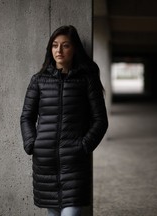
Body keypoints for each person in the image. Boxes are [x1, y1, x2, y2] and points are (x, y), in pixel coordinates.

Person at [20, 25, 108, 216]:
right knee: (53, 213)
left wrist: (83, 146)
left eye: (65, 45)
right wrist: (31, 144)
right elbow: (26, 117)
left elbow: (100, 120)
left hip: (74, 162)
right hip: (45, 162)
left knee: (72, 212)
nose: (58, 50)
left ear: (74, 48)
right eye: (54, 45)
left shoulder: (87, 80)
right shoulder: (39, 80)